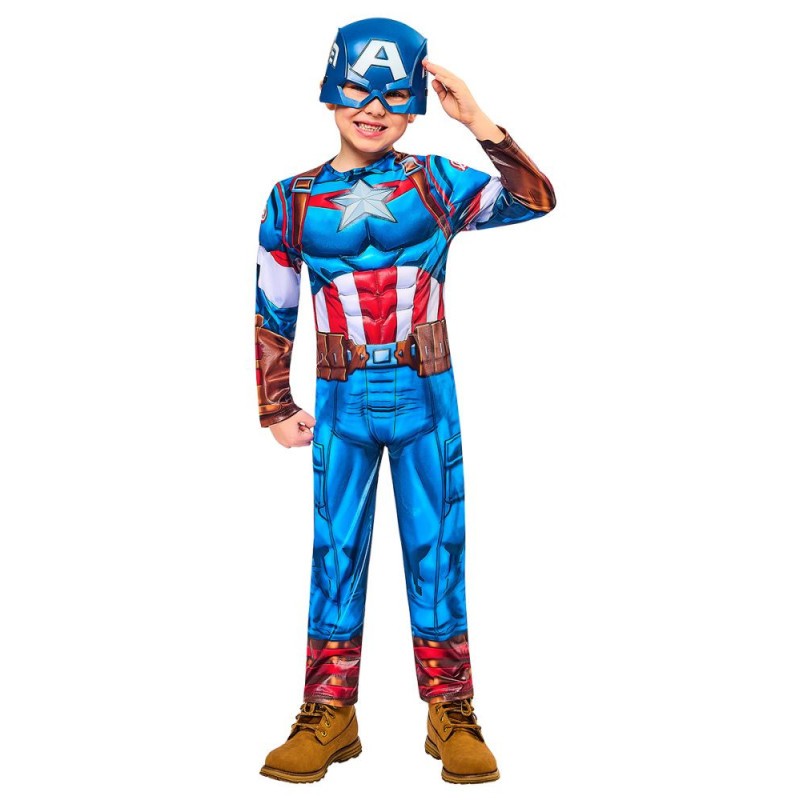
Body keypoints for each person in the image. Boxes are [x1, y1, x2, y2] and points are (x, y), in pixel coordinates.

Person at [254, 17, 555, 784]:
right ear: (331, 92)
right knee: (335, 551)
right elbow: (273, 301)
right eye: (359, 89)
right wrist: (273, 402)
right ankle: (328, 711)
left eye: (393, 95)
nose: (374, 108)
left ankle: (451, 710)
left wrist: (477, 119)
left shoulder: (437, 184)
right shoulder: (292, 200)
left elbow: (537, 199)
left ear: (415, 106)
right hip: (341, 396)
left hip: (426, 392)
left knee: (437, 547)